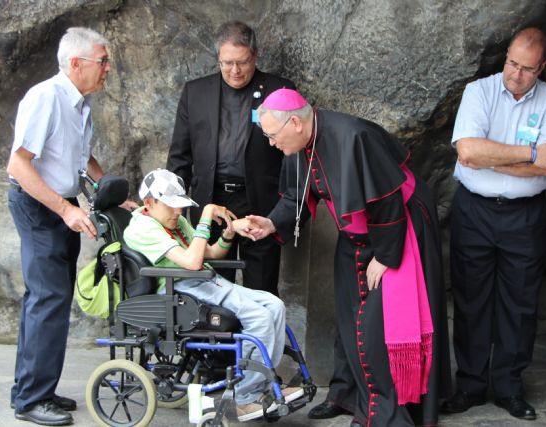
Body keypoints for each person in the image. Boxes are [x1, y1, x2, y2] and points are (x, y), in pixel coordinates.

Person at [237, 88, 451, 427]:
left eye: (272, 135)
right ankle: (352, 396)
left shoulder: (353, 136)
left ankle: (386, 414)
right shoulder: (298, 142)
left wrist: (385, 255)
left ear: (294, 122)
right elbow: (297, 195)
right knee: (350, 314)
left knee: (378, 324)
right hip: (357, 233)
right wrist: (270, 222)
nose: (270, 142)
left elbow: (387, 200)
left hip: (396, 230)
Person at [6, 27, 138, 426]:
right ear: (76, 63)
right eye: (102, 61)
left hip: (58, 204)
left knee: (48, 301)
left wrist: (110, 194)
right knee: (48, 300)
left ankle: (33, 390)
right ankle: (31, 400)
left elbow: (83, 160)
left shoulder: (79, 104)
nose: (108, 69)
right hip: (38, 206)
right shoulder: (46, 98)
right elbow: (18, 164)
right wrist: (66, 210)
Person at [442, 27, 546, 421]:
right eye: (512, 63)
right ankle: (471, 384)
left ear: (542, 68)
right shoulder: (478, 92)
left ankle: (510, 389)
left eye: (527, 69)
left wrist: (490, 155)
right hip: (474, 210)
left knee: (520, 305)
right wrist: (529, 153)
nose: (515, 74)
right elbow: (468, 151)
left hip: (524, 216)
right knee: (470, 299)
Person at [122, 168, 304, 422]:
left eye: (180, 206)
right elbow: (193, 261)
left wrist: (229, 232)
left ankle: (262, 385)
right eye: (172, 206)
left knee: (274, 305)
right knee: (259, 317)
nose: (178, 212)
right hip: (181, 289)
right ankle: (246, 397)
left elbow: (211, 254)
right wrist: (206, 215)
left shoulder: (174, 221)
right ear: (149, 203)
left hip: (205, 281)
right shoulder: (141, 228)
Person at [166, 21, 296, 296]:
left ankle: (257, 340)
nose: (234, 70)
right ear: (218, 58)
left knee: (262, 287)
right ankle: (215, 340)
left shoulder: (280, 90)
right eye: (227, 63)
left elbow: (294, 155)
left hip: (260, 202)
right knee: (210, 287)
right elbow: (180, 155)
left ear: (255, 56)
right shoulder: (195, 92)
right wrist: (171, 207)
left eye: (242, 62)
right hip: (210, 202)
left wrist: (284, 208)